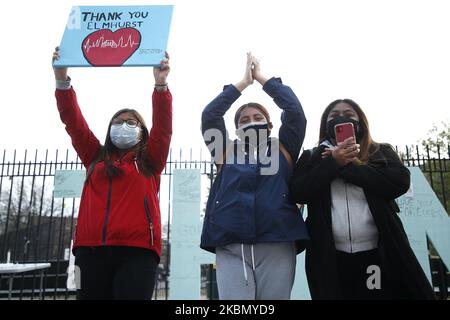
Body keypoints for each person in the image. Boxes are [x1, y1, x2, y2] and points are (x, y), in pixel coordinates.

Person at [51, 48, 172, 300]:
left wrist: (160, 86)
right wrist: (62, 79)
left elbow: (163, 129)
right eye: (117, 122)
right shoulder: (94, 155)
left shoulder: (150, 161)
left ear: (141, 131)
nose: (123, 126)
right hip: (88, 252)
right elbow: (73, 122)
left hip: (138, 252)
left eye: (131, 123)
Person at [290, 99, 435, 300]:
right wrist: (332, 163)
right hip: (330, 257)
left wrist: (347, 166)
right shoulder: (312, 156)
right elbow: (298, 191)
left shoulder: (379, 151)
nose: (340, 117)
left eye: (349, 114)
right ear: (325, 123)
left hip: (375, 255)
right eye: (334, 115)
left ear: (360, 121)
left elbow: (399, 182)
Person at [200, 53, 309, 300]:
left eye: (258, 118)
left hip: (277, 241)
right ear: (237, 129)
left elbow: (294, 111)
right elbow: (210, 116)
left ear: (270, 125)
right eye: (244, 120)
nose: (251, 122)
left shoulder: (284, 147)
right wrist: (243, 84)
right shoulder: (225, 150)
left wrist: (261, 78)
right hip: (231, 244)